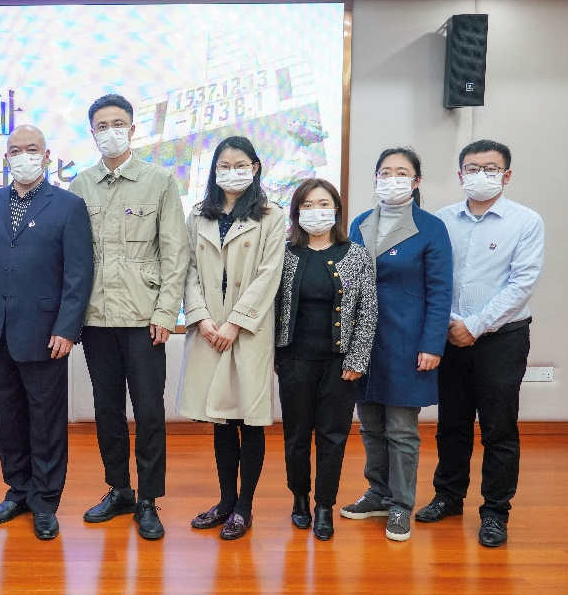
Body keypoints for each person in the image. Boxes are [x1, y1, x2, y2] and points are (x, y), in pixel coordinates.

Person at [68, 94, 189, 541]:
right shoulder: (80, 186)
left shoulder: (159, 181)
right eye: (102, 126)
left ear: (133, 129)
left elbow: (175, 252)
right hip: (96, 319)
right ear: (92, 133)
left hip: (144, 319)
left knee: (150, 412)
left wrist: (166, 312)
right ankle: (119, 489)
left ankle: (149, 499)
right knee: (107, 411)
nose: (111, 132)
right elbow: (73, 258)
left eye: (118, 124)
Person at [416, 140, 545, 548]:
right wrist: (449, 325)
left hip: (501, 339)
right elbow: (431, 278)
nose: (481, 175)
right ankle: (448, 497)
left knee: (498, 428)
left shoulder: (526, 222)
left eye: (491, 168)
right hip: (449, 337)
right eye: (472, 168)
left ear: (507, 175)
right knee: (451, 424)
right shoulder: (441, 220)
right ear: (460, 175)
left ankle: (495, 512)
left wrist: (474, 325)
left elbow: (521, 284)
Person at [0, 125, 93, 541]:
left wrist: (67, 328)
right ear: (6, 157)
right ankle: (17, 491)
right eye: (15, 150)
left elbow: (78, 274)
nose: (23, 155)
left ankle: (45, 500)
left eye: (32, 148)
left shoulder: (68, 206)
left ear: (47, 155)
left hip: (46, 334)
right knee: (9, 417)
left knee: (46, 421)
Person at [342, 147, 453, 543]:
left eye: (401, 172)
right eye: (385, 172)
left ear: (416, 181)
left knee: (401, 429)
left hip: (408, 341)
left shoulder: (431, 227)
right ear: (375, 179)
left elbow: (440, 291)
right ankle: (377, 493)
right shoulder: (360, 223)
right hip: (364, 342)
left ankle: (401, 504)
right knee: (370, 425)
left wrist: (433, 344)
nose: (392, 179)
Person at [177, 136, 284, 541]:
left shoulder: (271, 215)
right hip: (210, 330)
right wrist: (201, 318)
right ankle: (225, 501)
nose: (232, 171)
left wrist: (235, 323)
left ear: (255, 168)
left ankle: (244, 507)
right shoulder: (198, 214)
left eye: (240, 165)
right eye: (224, 164)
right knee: (221, 419)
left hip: (247, 331)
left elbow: (269, 274)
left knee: (248, 419)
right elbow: (187, 269)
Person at [275, 179, 377, 542]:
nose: (315, 211)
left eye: (323, 204)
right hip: (294, 360)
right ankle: (300, 499)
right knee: (296, 435)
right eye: (307, 205)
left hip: (339, 364)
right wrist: (275, 355)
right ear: (296, 212)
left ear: (336, 209)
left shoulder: (356, 254)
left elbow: (367, 311)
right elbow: (271, 307)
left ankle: (324, 506)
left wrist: (358, 358)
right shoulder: (283, 253)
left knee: (333, 437)